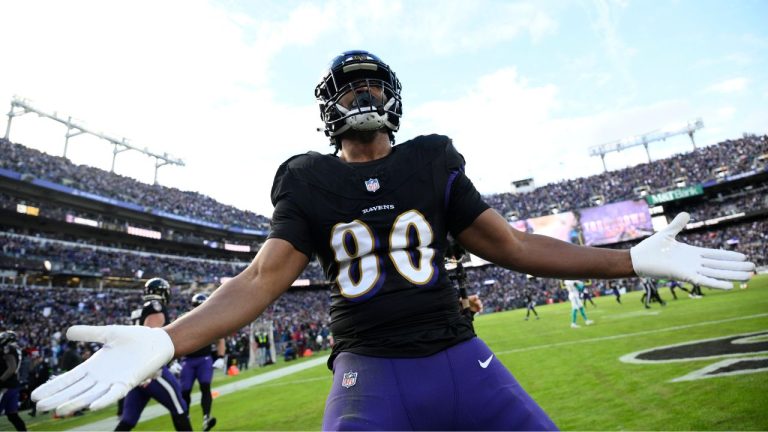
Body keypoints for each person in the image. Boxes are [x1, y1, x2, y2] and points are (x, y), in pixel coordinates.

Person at [32, 50, 756, 430]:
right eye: (347, 91)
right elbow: (260, 279)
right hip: (368, 377)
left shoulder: (432, 158)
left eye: (372, 86)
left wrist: (628, 257)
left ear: (396, 98)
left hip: (461, 357)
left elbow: (510, 246)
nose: (361, 97)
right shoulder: (307, 179)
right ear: (325, 109)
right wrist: (170, 339)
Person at [114, 278, 192, 431]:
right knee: (180, 408)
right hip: (151, 371)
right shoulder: (155, 307)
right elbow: (148, 339)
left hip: (136, 372)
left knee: (128, 420)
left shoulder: (139, 310)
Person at [180, 293, 226, 432]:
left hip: (204, 359)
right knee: (185, 391)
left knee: (205, 386)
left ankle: (206, 417)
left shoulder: (211, 321)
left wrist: (221, 357)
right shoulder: (185, 319)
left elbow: (220, 339)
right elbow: (176, 339)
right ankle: (185, 419)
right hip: (188, 360)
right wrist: (173, 360)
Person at [0, 331, 27, 431]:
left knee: (12, 415)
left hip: (6, 386)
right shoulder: (17, 349)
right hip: (13, 385)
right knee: (12, 415)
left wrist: (1, 380)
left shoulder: (9, 348)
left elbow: (11, 368)